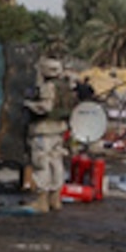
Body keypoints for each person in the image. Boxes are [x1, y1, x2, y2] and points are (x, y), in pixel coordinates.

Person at [23, 57, 72, 213]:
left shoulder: (48, 87)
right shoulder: (65, 87)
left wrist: (28, 104)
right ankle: (55, 199)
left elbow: (45, 107)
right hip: (59, 129)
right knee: (56, 163)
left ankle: (42, 201)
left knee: (41, 163)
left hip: (44, 130)